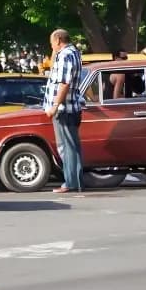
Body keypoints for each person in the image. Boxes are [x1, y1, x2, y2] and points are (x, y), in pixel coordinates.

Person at [45, 29, 85, 193]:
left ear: (59, 39)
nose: (51, 46)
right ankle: (73, 181)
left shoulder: (66, 55)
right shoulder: (72, 53)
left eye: (52, 42)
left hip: (64, 108)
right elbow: (55, 68)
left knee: (67, 147)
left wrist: (55, 105)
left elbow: (64, 83)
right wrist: (54, 51)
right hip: (68, 107)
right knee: (70, 146)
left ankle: (71, 182)